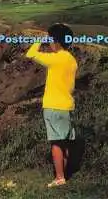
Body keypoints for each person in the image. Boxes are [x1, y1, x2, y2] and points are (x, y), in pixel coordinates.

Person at [25, 23, 78, 188]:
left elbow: (31, 54)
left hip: (53, 105)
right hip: (67, 105)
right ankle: (66, 174)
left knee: (55, 143)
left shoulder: (54, 59)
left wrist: (39, 40)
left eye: (50, 40)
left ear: (56, 41)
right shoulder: (71, 60)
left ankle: (59, 178)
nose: (49, 43)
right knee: (65, 141)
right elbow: (71, 86)